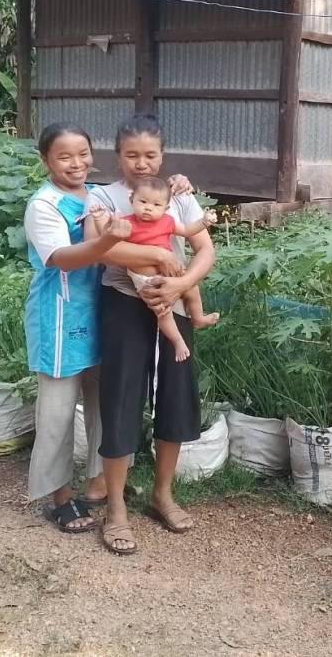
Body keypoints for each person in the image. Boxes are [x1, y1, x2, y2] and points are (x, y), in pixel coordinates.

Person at [88, 114, 217, 555]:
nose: (141, 163)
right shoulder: (103, 197)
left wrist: (182, 285)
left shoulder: (177, 194)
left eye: (150, 155)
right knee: (121, 398)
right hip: (123, 304)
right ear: (117, 156)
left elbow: (205, 248)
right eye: (131, 155)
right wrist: (157, 258)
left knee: (176, 395)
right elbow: (103, 248)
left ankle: (163, 494)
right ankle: (116, 508)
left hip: (174, 302)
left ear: (162, 156)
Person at [23, 123, 129, 533]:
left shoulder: (98, 195)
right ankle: (59, 498)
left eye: (83, 153)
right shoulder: (44, 204)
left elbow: (146, 202)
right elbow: (60, 258)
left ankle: (100, 484)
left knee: (106, 401)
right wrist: (107, 242)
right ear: (45, 160)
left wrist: (178, 185)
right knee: (57, 410)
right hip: (60, 315)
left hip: (104, 311)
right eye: (64, 156)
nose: (76, 163)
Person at [116, 173, 219, 361]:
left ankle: (198, 318)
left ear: (166, 208)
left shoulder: (167, 222)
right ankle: (178, 341)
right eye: (143, 202)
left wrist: (204, 222)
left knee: (192, 288)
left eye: (156, 205)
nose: (148, 208)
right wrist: (104, 221)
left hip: (170, 272)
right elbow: (114, 246)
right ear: (132, 200)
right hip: (146, 279)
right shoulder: (127, 223)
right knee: (163, 311)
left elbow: (187, 230)